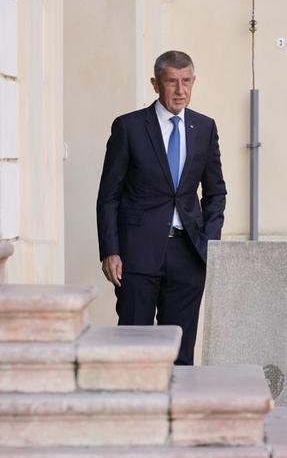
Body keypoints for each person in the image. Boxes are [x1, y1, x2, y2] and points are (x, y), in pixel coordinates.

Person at [96, 50, 227, 365]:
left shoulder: (204, 128)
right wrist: (110, 250)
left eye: (186, 81)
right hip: (136, 255)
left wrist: (208, 242)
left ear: (193, 82)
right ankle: (134, 413)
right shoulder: (129, 128)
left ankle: (177, 411)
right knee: (134, 347)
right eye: (172, 82)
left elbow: (216, 192)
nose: (180, 90)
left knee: (181, 351)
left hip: (188, 254)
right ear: (156, 84)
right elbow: (108, 195)